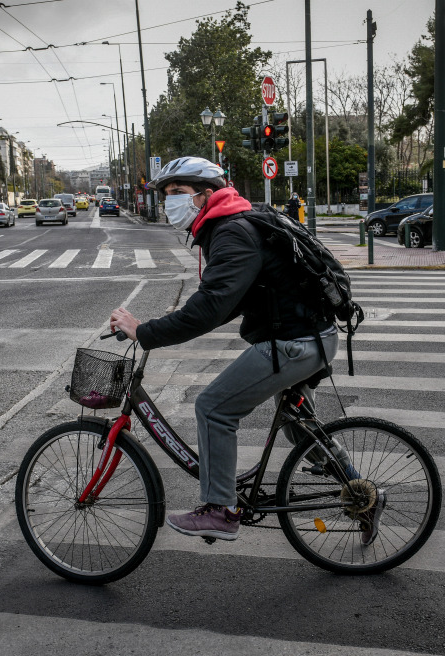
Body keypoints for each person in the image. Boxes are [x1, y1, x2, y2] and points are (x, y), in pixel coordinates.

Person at [109, 156, 382, 545]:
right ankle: (362, 493)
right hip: (311, 338)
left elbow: (212, 307)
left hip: (293, 344)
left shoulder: (231, 232)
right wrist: (170, 320)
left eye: (177, 193)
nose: (170, 202)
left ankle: (220, 510)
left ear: (206, 195)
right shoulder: (236, 221)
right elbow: (230, 299)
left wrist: (145, 331)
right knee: (296, 424)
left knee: (214, 408)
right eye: (166, 195)